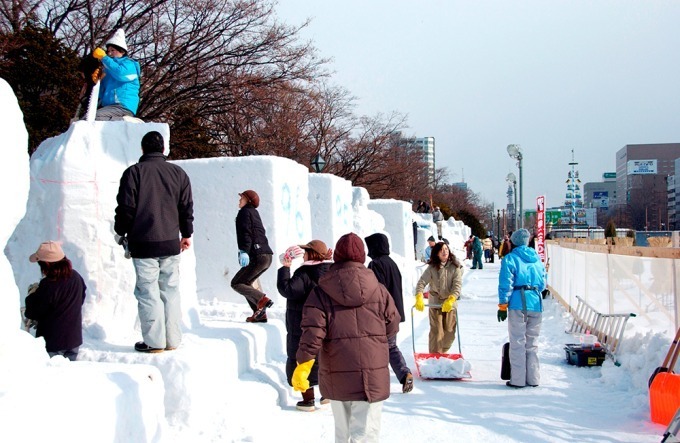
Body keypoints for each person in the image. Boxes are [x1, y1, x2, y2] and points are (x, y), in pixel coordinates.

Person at [293, 233, 399, 442]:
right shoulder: (379, 290)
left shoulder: (321, 292)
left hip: (336, 373)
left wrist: (303, 363)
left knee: (343, 433)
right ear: (362, 257)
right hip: (372, 374)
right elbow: (392, 325)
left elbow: (312, 332)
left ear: (338, 256)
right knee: (366, 433)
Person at [114, 131, 194, 353]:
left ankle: (154, 342)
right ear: (163, 149)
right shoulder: (179, 173)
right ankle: (172, 340)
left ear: (142, 149)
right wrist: (186, 234)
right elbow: (186, 207)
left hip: (143, 242)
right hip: (170, 243)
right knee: (170, 291)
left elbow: (126, 208)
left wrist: (120, 231)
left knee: (148, 292)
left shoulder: (133, 173)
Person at [276, 240, 333, 411]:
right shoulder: (329, 272)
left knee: (301, 357)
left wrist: (286, 267)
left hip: (301, 324)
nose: (304, 254)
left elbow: (288, 290)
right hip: (324, 324)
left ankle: (308, 400)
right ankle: (327, 394)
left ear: (312, 254)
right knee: (323, 357)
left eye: (306, 251)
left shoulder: (305, 273)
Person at [497, 228, 547, 388]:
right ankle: (533, 378)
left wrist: (503, 305)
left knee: (517, 342)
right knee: (532, 344)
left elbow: (506, 283)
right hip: (536, 304)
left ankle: (517, 380)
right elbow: (543, 283)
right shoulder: (537, 259)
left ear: (513, 242)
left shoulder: (510, 259)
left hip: (518, 303)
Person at [365, 233, 414, 394]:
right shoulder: (392, 263)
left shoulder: (376, 264)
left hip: (381, 314)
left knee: (375, 347)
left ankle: (375, 381)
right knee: (391, 346)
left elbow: (375, 291)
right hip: (394, 312)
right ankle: (404, 373)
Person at [24, 241, 87, 361]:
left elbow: (32, 312)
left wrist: (32, 295)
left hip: (53, 342)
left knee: (51, 377)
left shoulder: (48, 285)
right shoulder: (76, 277)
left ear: (46, 264)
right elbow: (80, 300)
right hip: (73, 340)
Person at [231, 189, 274, 322]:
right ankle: (259, 313)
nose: (239, 200)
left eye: (242, 198)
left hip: (257, 255)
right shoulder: (254, 213)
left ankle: (262, 300)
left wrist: (244, 251)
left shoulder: (244, 213)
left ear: (248, 200)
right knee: (247, 284)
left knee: (237, 283)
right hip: (266, 255)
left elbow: (246, 233)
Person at [414, 241, 464, 353]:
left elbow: (457, 285)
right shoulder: (432, 268)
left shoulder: (455, 267)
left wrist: (451, 299)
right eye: (441, 250)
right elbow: (421, 282)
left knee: (449, 333)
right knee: (437, 332)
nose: (444, 252)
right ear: (437, 253)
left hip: (450, 304)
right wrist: (419, 295)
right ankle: (434, 356)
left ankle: (443, 352)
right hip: (435, 303)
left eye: (446, 249)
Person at [91, 29, 141, 120]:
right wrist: (98, 82)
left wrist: (104, 58)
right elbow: (102, 94)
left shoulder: (129, 64)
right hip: (109, 107)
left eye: (112, 50)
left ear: (122, 51)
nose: (109, 53)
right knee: (86, 120)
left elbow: (121, 74)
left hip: (123, 105)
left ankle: (125, 122)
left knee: (93, 118)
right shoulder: (108, 69)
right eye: (108, 51)